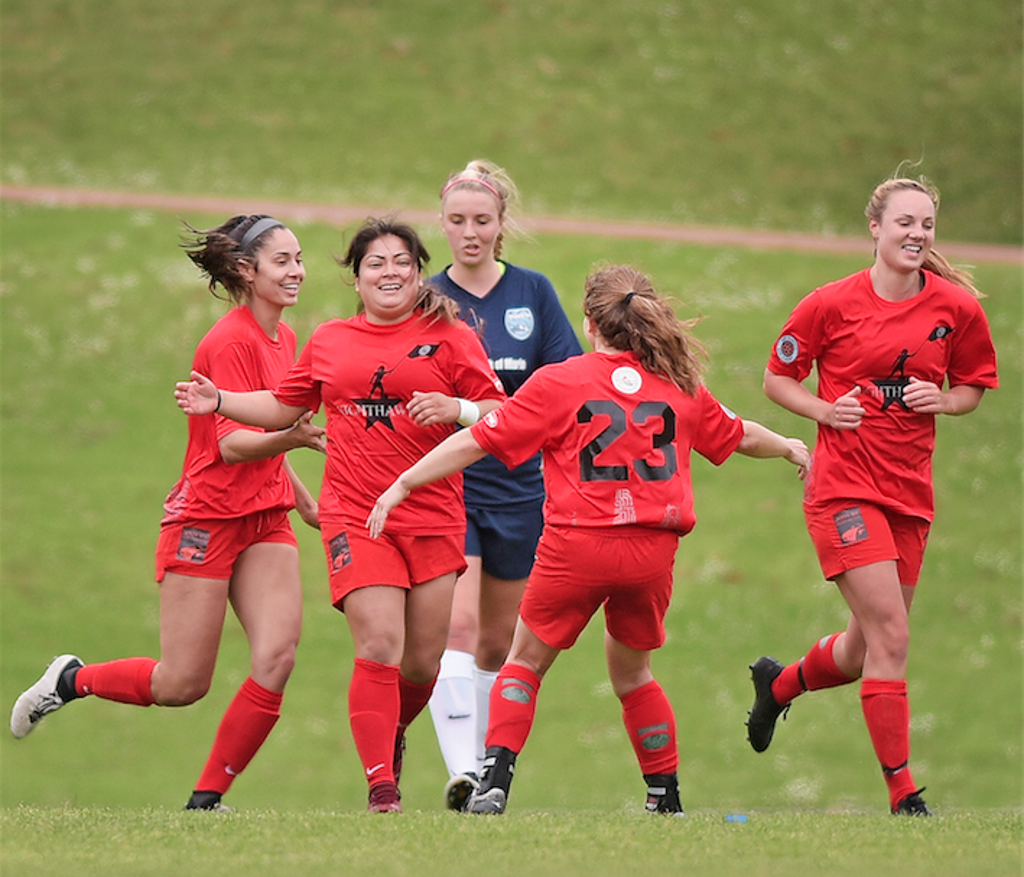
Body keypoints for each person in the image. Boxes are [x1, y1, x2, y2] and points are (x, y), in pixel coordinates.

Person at [367, 264, 810, 815]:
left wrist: (406, 481)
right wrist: (788, 445)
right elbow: (738, 434)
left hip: (578, 544)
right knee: (633, 673)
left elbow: (478, 440)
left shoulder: (561, 381)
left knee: (524, 663)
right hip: (652, 551)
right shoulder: (677, 382)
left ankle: (494, 782)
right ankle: (664, 795)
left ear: (590, 323)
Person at [175, 217, 507, 813]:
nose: (389, 273)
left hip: (433, 515)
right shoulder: (329, 340)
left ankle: (391, 729)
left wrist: (455, 407)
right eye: (375, 263)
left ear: (419, 273)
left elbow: (498, 413)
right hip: (356, 514)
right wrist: (219, 399)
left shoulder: (451, 337)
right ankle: (382, 790)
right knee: (379, 642)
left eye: (402, 262)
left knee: (422, 663)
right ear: (357, 279)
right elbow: (282, 407)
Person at [10, 215, 325, 812]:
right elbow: (233, 444)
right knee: (181, 684)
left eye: (299, 258)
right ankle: (71, 679)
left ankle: (206, 803)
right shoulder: (227, 341)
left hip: (265, 517)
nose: (297, 271)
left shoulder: (285, 340)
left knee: (278, 657)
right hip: (206, 520)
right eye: (282, 260)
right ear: (245, 270)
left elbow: (270, 430)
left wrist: (306, 504)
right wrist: (293, 437)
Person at [746, 174, 999, 816]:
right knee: (892, 634)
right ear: (876, 228)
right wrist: (824, 411)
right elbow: (777, 378)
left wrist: (944, 400)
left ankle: (779, 685)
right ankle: (903, 795)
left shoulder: (956, 309)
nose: (917, 234)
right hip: (843, 490)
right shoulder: (829, 304)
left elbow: (972, 386)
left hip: (909, 494)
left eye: (926, 225)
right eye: (905, 223)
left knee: (864, 651)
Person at [426, 160, 583, 809]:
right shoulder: (426, 298)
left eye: (482, 221)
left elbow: (571, 383)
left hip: (520, 489)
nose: (470, 233)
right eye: (457, 221)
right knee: (457, 628)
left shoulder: (533, 293)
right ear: (442, 224)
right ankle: (462, 773)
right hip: (450, 483)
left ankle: (487, 776)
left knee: (498, 641)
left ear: (501, 224)